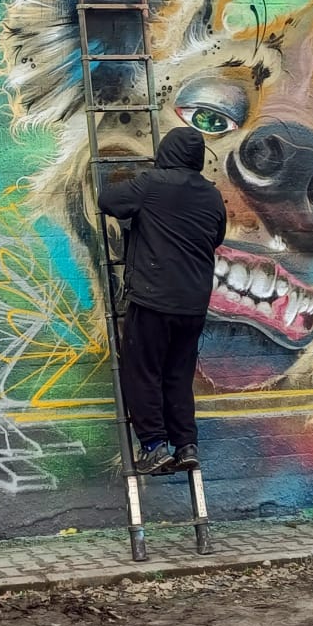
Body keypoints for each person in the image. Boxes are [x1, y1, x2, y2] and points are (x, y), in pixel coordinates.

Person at [97, 125, 228, 475]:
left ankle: (154, 446)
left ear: (167, 152)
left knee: (142, 371)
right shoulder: (212, 195)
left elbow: (107, 201)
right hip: (194, 304)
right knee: (178, 375)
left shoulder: (152, 184)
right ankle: (186, 445)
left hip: (154, 299)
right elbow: (216, 237)